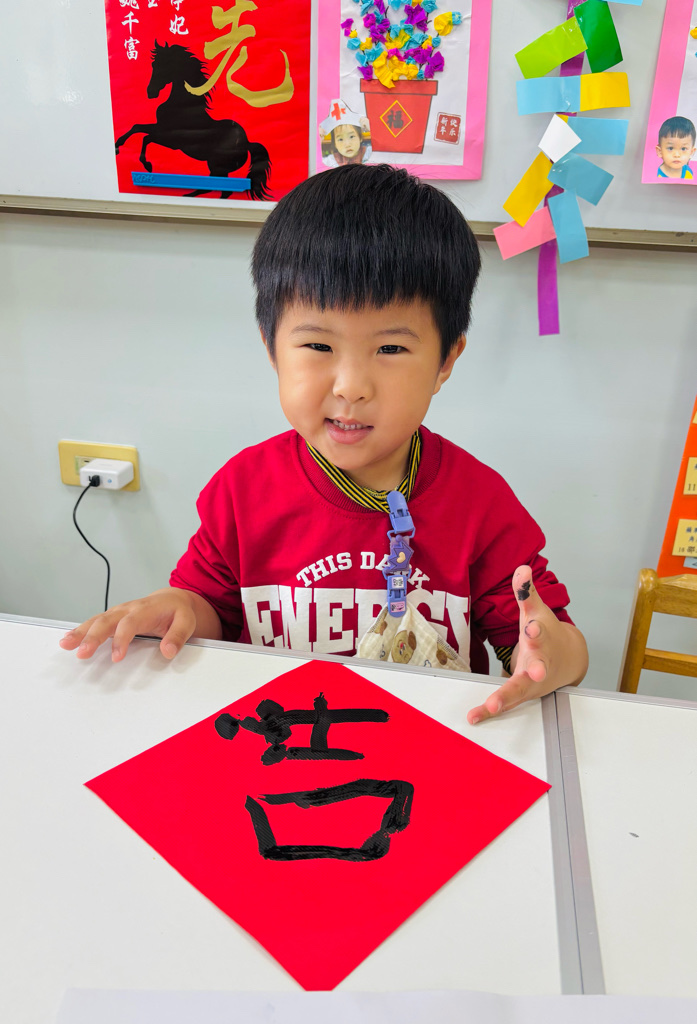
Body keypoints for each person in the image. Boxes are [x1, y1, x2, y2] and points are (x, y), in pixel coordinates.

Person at [60, 164, 588, 725]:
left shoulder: (478, 502)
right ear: (272, 348)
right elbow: (210, 609)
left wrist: (550, 655)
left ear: (445, 361)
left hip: (425, 746)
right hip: (278, 740)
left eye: (390, 350)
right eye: (317, 345)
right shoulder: (242, 490)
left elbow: (554, 645)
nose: (351, 387)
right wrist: (178, 608)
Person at [320, 99, 372, 168]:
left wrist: (371, 128)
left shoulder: (368, 153)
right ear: (335, 144)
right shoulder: (331, 161)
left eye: (351, 137)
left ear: (360, 138)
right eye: (340, 139)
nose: (347, 144)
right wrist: (319, 138)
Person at [655, 116, 696, 180]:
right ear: (660, 151)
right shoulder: (657, 176)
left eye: (683, 149)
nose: (677, 155)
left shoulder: (688, 171)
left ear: (691, 152)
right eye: (670, 148)